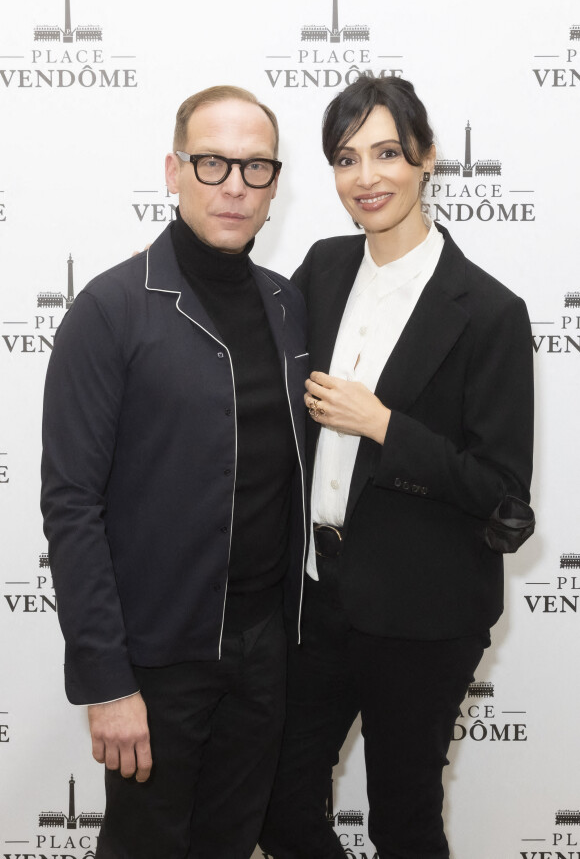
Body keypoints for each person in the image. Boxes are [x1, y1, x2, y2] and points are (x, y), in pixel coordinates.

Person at [260, 75, 535, 859]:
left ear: (426, 158)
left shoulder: (488, 311)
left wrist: (384, 425)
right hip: (315, 597)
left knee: (404, 824)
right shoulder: (323, 267)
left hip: (424, 609)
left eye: (386, 153)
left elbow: (500, 492)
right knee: (277, 803)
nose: (367, 177)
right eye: (347, 159)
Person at [40, 85, 308, 859]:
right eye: (213, 162)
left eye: (255, 167)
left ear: (274, 184)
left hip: (264, 651)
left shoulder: (289, 307)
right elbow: (71, 504)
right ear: (174, 169)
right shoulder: (110, 309)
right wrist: (107, 680)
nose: (234, 185)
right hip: (157, 660)